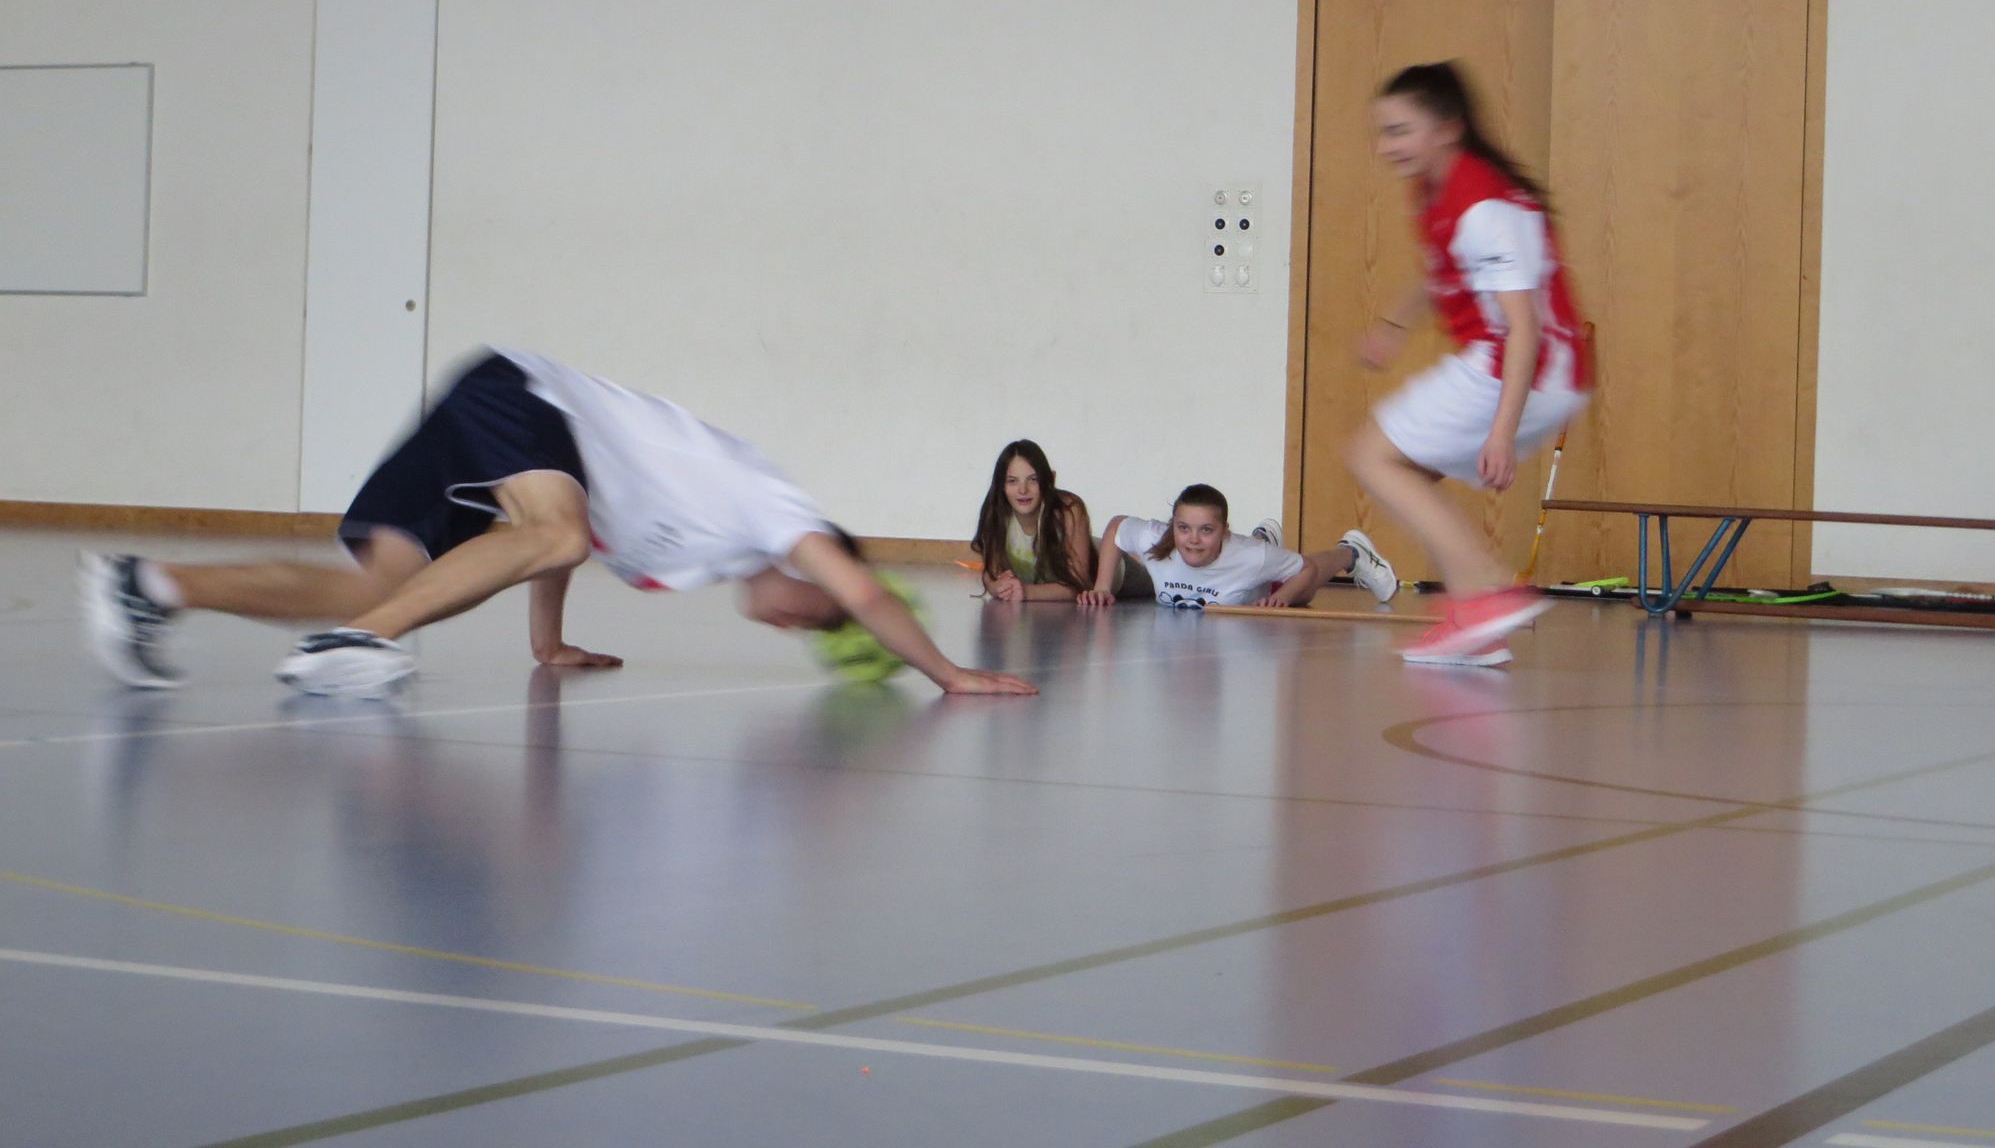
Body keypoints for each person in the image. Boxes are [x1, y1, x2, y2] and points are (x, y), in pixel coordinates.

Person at [80, 350, 1038, 698]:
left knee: (380, 582)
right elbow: (862, 588)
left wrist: (547, 642)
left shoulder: (695, 555)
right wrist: (949, 675)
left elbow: (560, 533)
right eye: (816, 612)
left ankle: (148, 585)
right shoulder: (771, 507)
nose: (799, 621)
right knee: (551, 533)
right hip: (517, 395)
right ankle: (359, 645)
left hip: (500, 428)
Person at [1347, 62, 1592, 668]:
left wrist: (1502, 433)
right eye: (1383, 133)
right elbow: (1444, 270)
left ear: (1447, 129)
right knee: (1408, 470)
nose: (1387, 146)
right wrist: (1395, 325)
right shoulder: (1439, 189)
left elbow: (1524, 327)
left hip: (1527, 366)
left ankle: (1490, 591)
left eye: (1400, 131)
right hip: (1532, 367)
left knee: (1371, 454)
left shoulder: (1482, 204)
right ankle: (1477, 625)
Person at [1078, 484, 1396, 611]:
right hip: (1253, 564)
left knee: (1304, 592)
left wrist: (1282, 598)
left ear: (1225, 532)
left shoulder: (1249, 557)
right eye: (1183, 528)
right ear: (1173, 525)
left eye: (1206, 530)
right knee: (1266, 561)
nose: (1192, 539)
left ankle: (1352, 552)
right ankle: (1265, 538)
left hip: (1261, 582)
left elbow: (1306, 569)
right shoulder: (1155, 539)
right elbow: (1116, 526)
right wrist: (1103, 586)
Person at [969, 440, 1101, 603]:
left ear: (1049, 480)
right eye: (1012, 481)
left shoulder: (1068, 510)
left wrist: (1026, 592)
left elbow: (1079, 583)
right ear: (1001, 485)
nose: (1023, 490)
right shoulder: (996, 514)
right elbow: (991, 573)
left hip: (1112, 569)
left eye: (1033, 479)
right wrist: (998, 587)